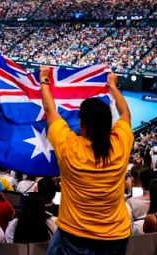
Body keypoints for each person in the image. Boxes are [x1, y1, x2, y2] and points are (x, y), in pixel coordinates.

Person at [41, 68, 133, 255]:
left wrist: (44, 79)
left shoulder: (69, 146)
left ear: (82, 125)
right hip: (115, 236)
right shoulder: (120, 144)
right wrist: (113, 87)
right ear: (109, 125)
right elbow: (126, 114)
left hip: (74, 235)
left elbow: (50, 110)